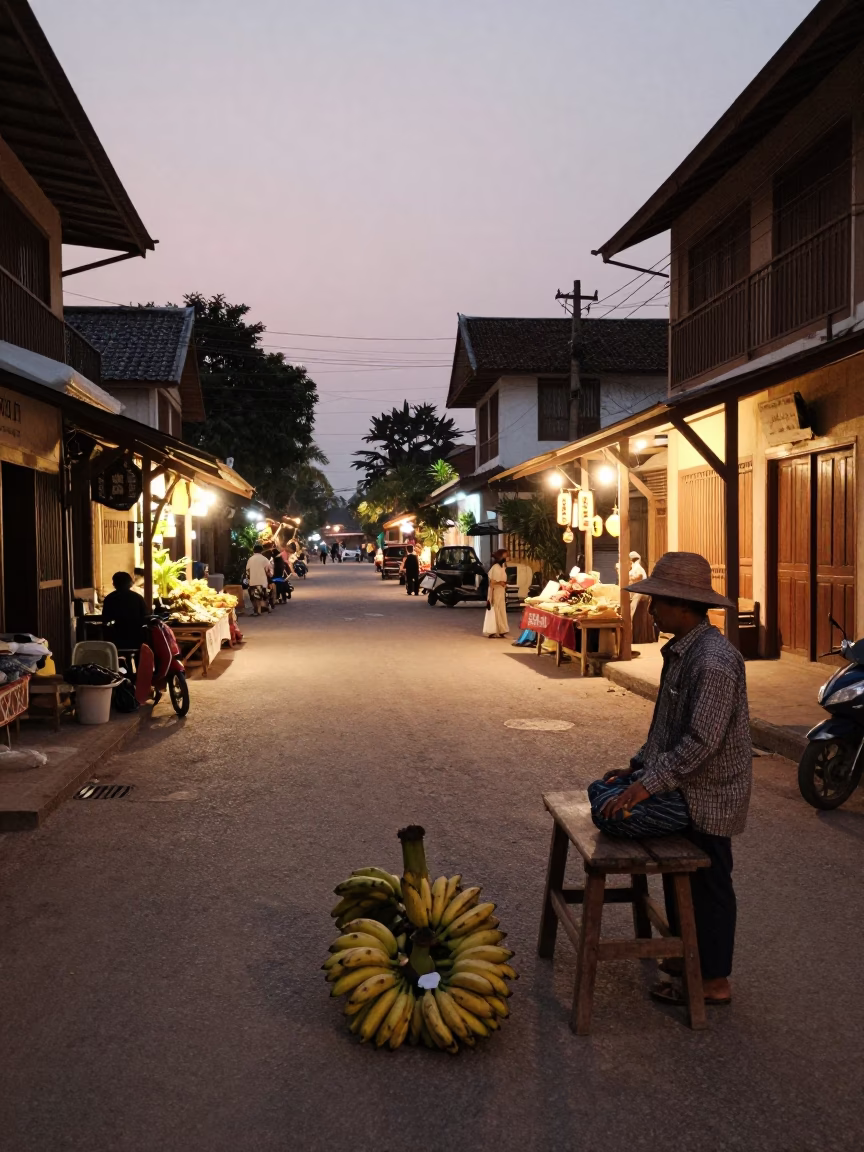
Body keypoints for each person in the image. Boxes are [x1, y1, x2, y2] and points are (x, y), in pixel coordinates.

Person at [599, 551, 751, 1008]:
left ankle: (713, 979)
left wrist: (647, 786)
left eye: (657, 603)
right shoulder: (682, 651)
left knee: (710, 882)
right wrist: (636, 767)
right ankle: (689, 955)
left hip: (707, 795)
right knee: (603, 793)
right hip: (678, 785)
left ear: (683, 606)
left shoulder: (714, 661)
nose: (651, 609)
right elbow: (666, 729)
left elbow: (701, 743)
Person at [102, 571, 148, 651]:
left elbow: (105, 618)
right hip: (136, 637)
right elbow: (145, 616)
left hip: (117, 638)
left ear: (114, 584)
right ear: (130, 583)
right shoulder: (137, 598)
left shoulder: (110, 598)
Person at [627, 550, 654, 643]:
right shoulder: (633, 568)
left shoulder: (637, 568)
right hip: (635, 592)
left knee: (631, 612)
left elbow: (638, 577)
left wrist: (628, 578)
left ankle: (628, 636)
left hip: (640, 593)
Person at [482, 548, 510, 638]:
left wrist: (504, 584)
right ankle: (492, 630)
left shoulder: (502, 567)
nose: (508, 557)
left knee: (501, 610)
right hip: (495, 591)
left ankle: (502, 629)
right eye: (506, 555)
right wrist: (500, 583)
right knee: (495, 610)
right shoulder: (495, 568)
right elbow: (492, 582)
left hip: (501, 591)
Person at [245, 544, 273, 615]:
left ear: (253, 550)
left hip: (253, 581)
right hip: (263, 581)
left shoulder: (250, 559)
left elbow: (247, 571)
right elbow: (269, 571)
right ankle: (268, 607)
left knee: (255, 597)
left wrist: (248, 579)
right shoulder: (265, 559)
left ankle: (258, 611)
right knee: (264, 596)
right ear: (262, 550)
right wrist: (269, 577)